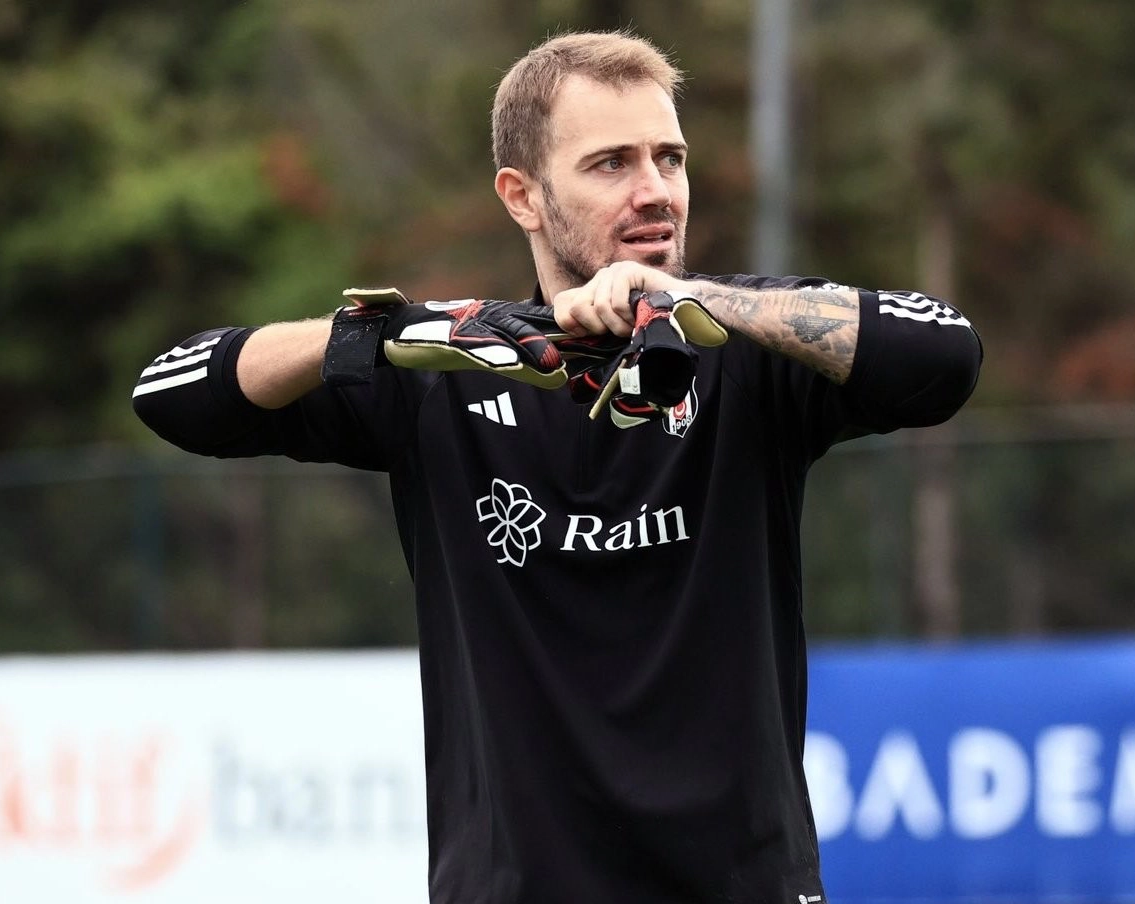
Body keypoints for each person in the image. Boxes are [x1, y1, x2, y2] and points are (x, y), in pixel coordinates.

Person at [133, 29, 982, 904]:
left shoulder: (746, 344)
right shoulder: (446, 369)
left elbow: (946, 355)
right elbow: (172, 393)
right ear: (524, 197)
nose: (656, 191)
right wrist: (380, 335)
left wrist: (691, 300)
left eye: (670, 158)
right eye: (611, 164)